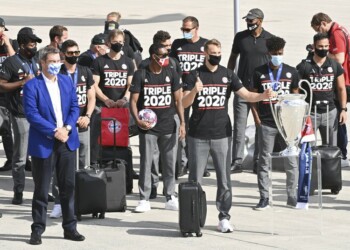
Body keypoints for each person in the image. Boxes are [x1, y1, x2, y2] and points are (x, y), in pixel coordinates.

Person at [182, 39, 273, 232]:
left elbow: (247, 95)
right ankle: (194, 217)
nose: (216, 56)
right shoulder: (194, 75)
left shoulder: (228, 74)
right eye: (213, 53)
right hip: (198, 135)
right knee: (195, 180)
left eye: (219, 52)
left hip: (222, 135)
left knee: (224, 179)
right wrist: (194, 92)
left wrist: (263, 96)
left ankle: (224, 216)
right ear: (205, 54)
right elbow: (183, 103)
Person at [23, 46, 84, 245]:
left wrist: (66, 127)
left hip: (66, 141)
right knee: (41, 189)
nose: (56, 65)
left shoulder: (66, 81)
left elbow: (75, 107)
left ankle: (70, 228)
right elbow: (32, 114)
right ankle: (38, 229)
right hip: (45, 143)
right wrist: (53, 131)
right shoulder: (33, 86)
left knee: (68, 187)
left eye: (58, 61)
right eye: (52, 61)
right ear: (42, 63)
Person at [130, 43, 185, 212]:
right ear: (153, 56)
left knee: (169, 163)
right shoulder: (141, 74)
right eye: (161, 56)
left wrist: (182, 123)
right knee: (147, 162)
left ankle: (170, 196)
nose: (164, 59)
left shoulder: (172, 73)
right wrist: (138, 121)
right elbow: (133, 101)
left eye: (166, 55)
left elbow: (178, 101)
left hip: (168, 124)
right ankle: (144, 198)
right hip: (148, 127)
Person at [47, 39, 96, 219]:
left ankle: (82, 201)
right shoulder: (57, 73)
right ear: (63, 54)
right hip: (63, 127)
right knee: (60, 167)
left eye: (77, 52)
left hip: (82, 124)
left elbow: (91, 97)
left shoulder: (85, 71)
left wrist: (88, 116)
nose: (74, 56)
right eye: (70, 53)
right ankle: (59, 203)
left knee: (84, 165)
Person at [251, 36, 300, 210]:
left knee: (291, 160)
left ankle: (292, 196)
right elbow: (253, 97)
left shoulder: (291, 72)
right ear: (268, 53)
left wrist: (295, 121)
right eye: (275, 53)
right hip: (266, 122)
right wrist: (256, 118)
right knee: (264, 160)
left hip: (286, 124)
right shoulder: (259, 72)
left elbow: (296, 98)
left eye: (280, 53)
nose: (278, 56)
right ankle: (264, 197)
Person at [227, 8, 274, 174]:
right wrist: (229, 77)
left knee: (261, 126)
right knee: (239, 126)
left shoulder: (270, 39)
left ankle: (257, 161)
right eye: (247, 21)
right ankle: (237, 161)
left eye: (252, 21)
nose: (249, 24)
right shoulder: (240, 37)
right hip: (242, 89)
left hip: (261, 91)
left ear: (260, 21)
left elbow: (274, 65)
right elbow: (233, 58)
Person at [138, 30, 182, 199]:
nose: (168, 50)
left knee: (169, 157)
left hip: (168, 115)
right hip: (149, 118)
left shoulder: (173, 63)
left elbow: (177, 91)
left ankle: (169, 190)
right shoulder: (143, 66)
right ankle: (152, 185)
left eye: (169, 46)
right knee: (151, 156)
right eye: (165, 46)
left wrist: (179, 117)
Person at [0, 27, 42, 205]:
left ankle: (41, 191)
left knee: (41, 155)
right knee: (20, 156)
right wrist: (22, 82)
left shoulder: (37, 60)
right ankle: (18, 190)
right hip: (20, 114)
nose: (34, 47)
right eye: (31, 44)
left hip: (39, 115)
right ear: (23, 44)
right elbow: (1, 85)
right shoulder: (11, 62)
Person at [170, 16, 210, 177]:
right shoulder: (177, 45)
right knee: (182, 126)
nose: (185, 32)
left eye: (188, 29)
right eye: (183, 29)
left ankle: (202, 164)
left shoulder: (204, 45)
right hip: (183, 90)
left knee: (201, 126)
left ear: (196, 28)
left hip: (201, 90)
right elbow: (172, 66)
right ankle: (182, 163)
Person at [311, 13, 350, 167]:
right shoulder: (340, 29)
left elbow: (339, 58)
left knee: (337, 118)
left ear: (322, 23)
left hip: (343, 80)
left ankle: (341, 153)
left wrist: (321, 53)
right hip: (344, 79)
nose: (319, 34)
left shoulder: (335, 33)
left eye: (317, 29)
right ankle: (341, 152)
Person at [90, 29, 135, 164]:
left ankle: (124, 165)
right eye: (115, 42)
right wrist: (106, 100)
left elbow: (130, 85)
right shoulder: (99, 61)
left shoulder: (128, 62)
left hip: (121, 107)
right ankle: (95, 163)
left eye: (121, 42)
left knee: (122, 138)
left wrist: (124, 99)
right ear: (108, 43)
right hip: (103, 106)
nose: (118, 44)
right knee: (98, 138)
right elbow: (94, 84)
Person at [297, 33, 347, 148]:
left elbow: (341, 88)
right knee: (309, 148)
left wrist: (343, 110)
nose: (323, 49)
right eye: (320, 46)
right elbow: (296, 89)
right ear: (314, 46)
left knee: (330, 149)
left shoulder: (335, 65)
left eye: (326, 46)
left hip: (330, 112)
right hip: (310, 113)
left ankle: (328, 167)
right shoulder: (304, 66)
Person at [0, 17, 16, 172]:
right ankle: (11, 159)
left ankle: (23, 159)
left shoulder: (12, 44)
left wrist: (8, 44)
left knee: (20, 128)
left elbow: (16, 62)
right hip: (1, 94)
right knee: (5, 128)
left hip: (14, 93)